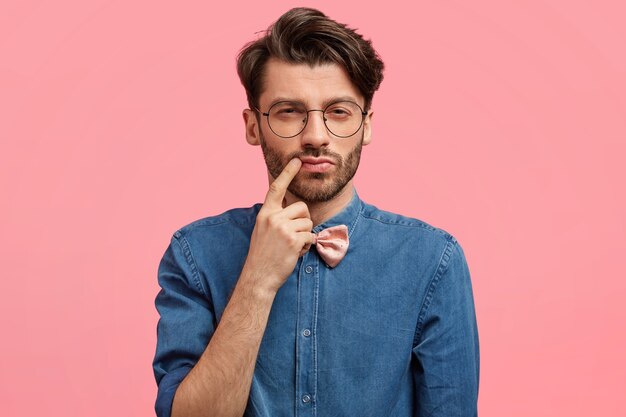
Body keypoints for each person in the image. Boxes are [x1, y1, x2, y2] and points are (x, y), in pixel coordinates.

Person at [153, 7, 479, 417]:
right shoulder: (195, 254)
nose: (316, 137)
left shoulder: (434, 260)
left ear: (367, 125)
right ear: (253, 126)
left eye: (338, 112)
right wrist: (257, 279)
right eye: (289, 111)